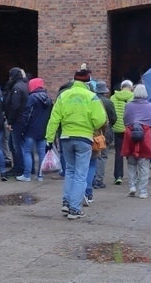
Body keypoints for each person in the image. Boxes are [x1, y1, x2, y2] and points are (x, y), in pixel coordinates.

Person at [45, 64, 107, 219]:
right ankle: (75, 208)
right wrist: (90, 125)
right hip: (84, 138)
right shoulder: (91, 97)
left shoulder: (63, 96)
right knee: (81, 174)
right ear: (88, 82)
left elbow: (54, 119)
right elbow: (100, 120)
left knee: (70, 172)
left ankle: (66, 202)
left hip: (66, 137)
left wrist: (49, 139)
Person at [121, 84, 151, 199]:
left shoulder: (128, 105)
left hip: (130, 135)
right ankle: (143, 191)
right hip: (145, 135)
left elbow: (125, 120)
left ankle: (132, 186)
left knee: (131, 163)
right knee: (144, 164)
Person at [17, 77, 53, 182]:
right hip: (43, 130)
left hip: (31, 130)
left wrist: (22, 128)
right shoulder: (48, 98)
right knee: (41, 153)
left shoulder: (32, 98)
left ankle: (27, 175)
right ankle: (40, 175)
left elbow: (26, 115)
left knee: (27, 151)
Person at [3, 67, 29, 178]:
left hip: (17, 120)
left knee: (16, 145)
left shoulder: (17, 87)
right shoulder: (23, 85)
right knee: (15, 144)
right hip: (21, 119)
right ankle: (20, 167)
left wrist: (10, 121)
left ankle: (19, 168)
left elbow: (15, 106)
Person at [92, 81, 117, 189]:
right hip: (105, 132)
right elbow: (113, 118)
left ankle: (91, 178)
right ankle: (98, 180)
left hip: (92, 132)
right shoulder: (108, 102)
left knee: (92, 156)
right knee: (102, 156)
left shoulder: (90, 100)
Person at [110, 79, 134, 185]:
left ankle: (118, 176)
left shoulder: (113, 97)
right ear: (131, 88)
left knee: (119, 152)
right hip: (129, 128)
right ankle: (133, 176)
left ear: (121, 87)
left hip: (117, 128)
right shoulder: (133, 97)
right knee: (131, 152)